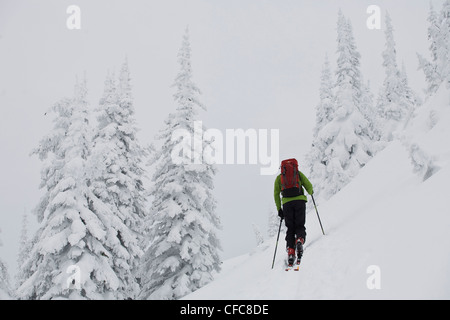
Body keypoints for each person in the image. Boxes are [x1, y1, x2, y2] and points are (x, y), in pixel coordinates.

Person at [274, 159, 313, 266]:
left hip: (287, 204)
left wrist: (279, 209)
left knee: (290, 228)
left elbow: (276, 194)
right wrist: (311, 192)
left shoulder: (279, 179)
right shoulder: (298, 174)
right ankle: (300, 240)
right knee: (300, 225)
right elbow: (308, 185)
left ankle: (291, 251)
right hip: (300, 201)